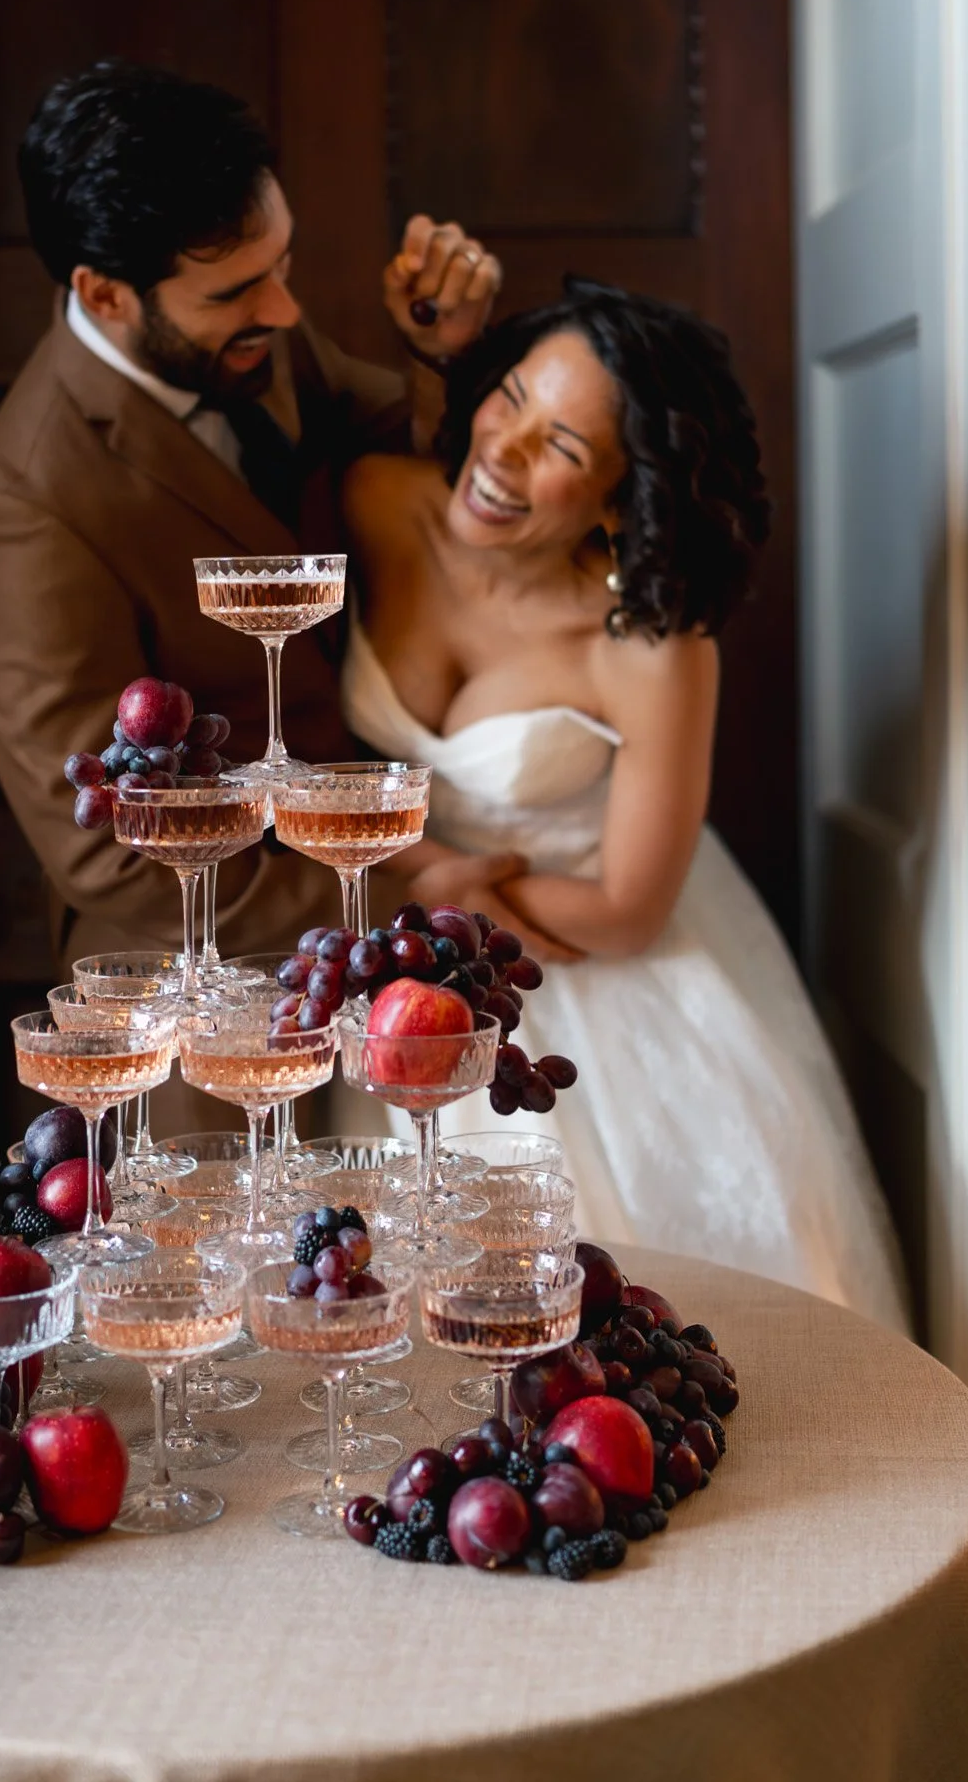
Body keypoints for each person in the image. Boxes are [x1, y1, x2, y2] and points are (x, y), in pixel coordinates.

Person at [341, 278, 909, 1329]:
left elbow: (629, 907)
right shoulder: (373, 501)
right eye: (505, 396)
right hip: (384, 977)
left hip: (587, 972)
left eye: (558, 444)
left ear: (618, 496)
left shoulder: (652, 645)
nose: (500, 451)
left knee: (630, 1317)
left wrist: (473, 883)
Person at [0, 60, 521, 976]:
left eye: (281, 266)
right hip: (211, 957)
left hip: (404, 862)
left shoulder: (251, 337)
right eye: (233, 294)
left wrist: (444, 352)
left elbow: (421, 467)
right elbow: (108, 847)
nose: (285, 310)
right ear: (104, 294)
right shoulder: (22, 510)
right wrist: (401, 900)